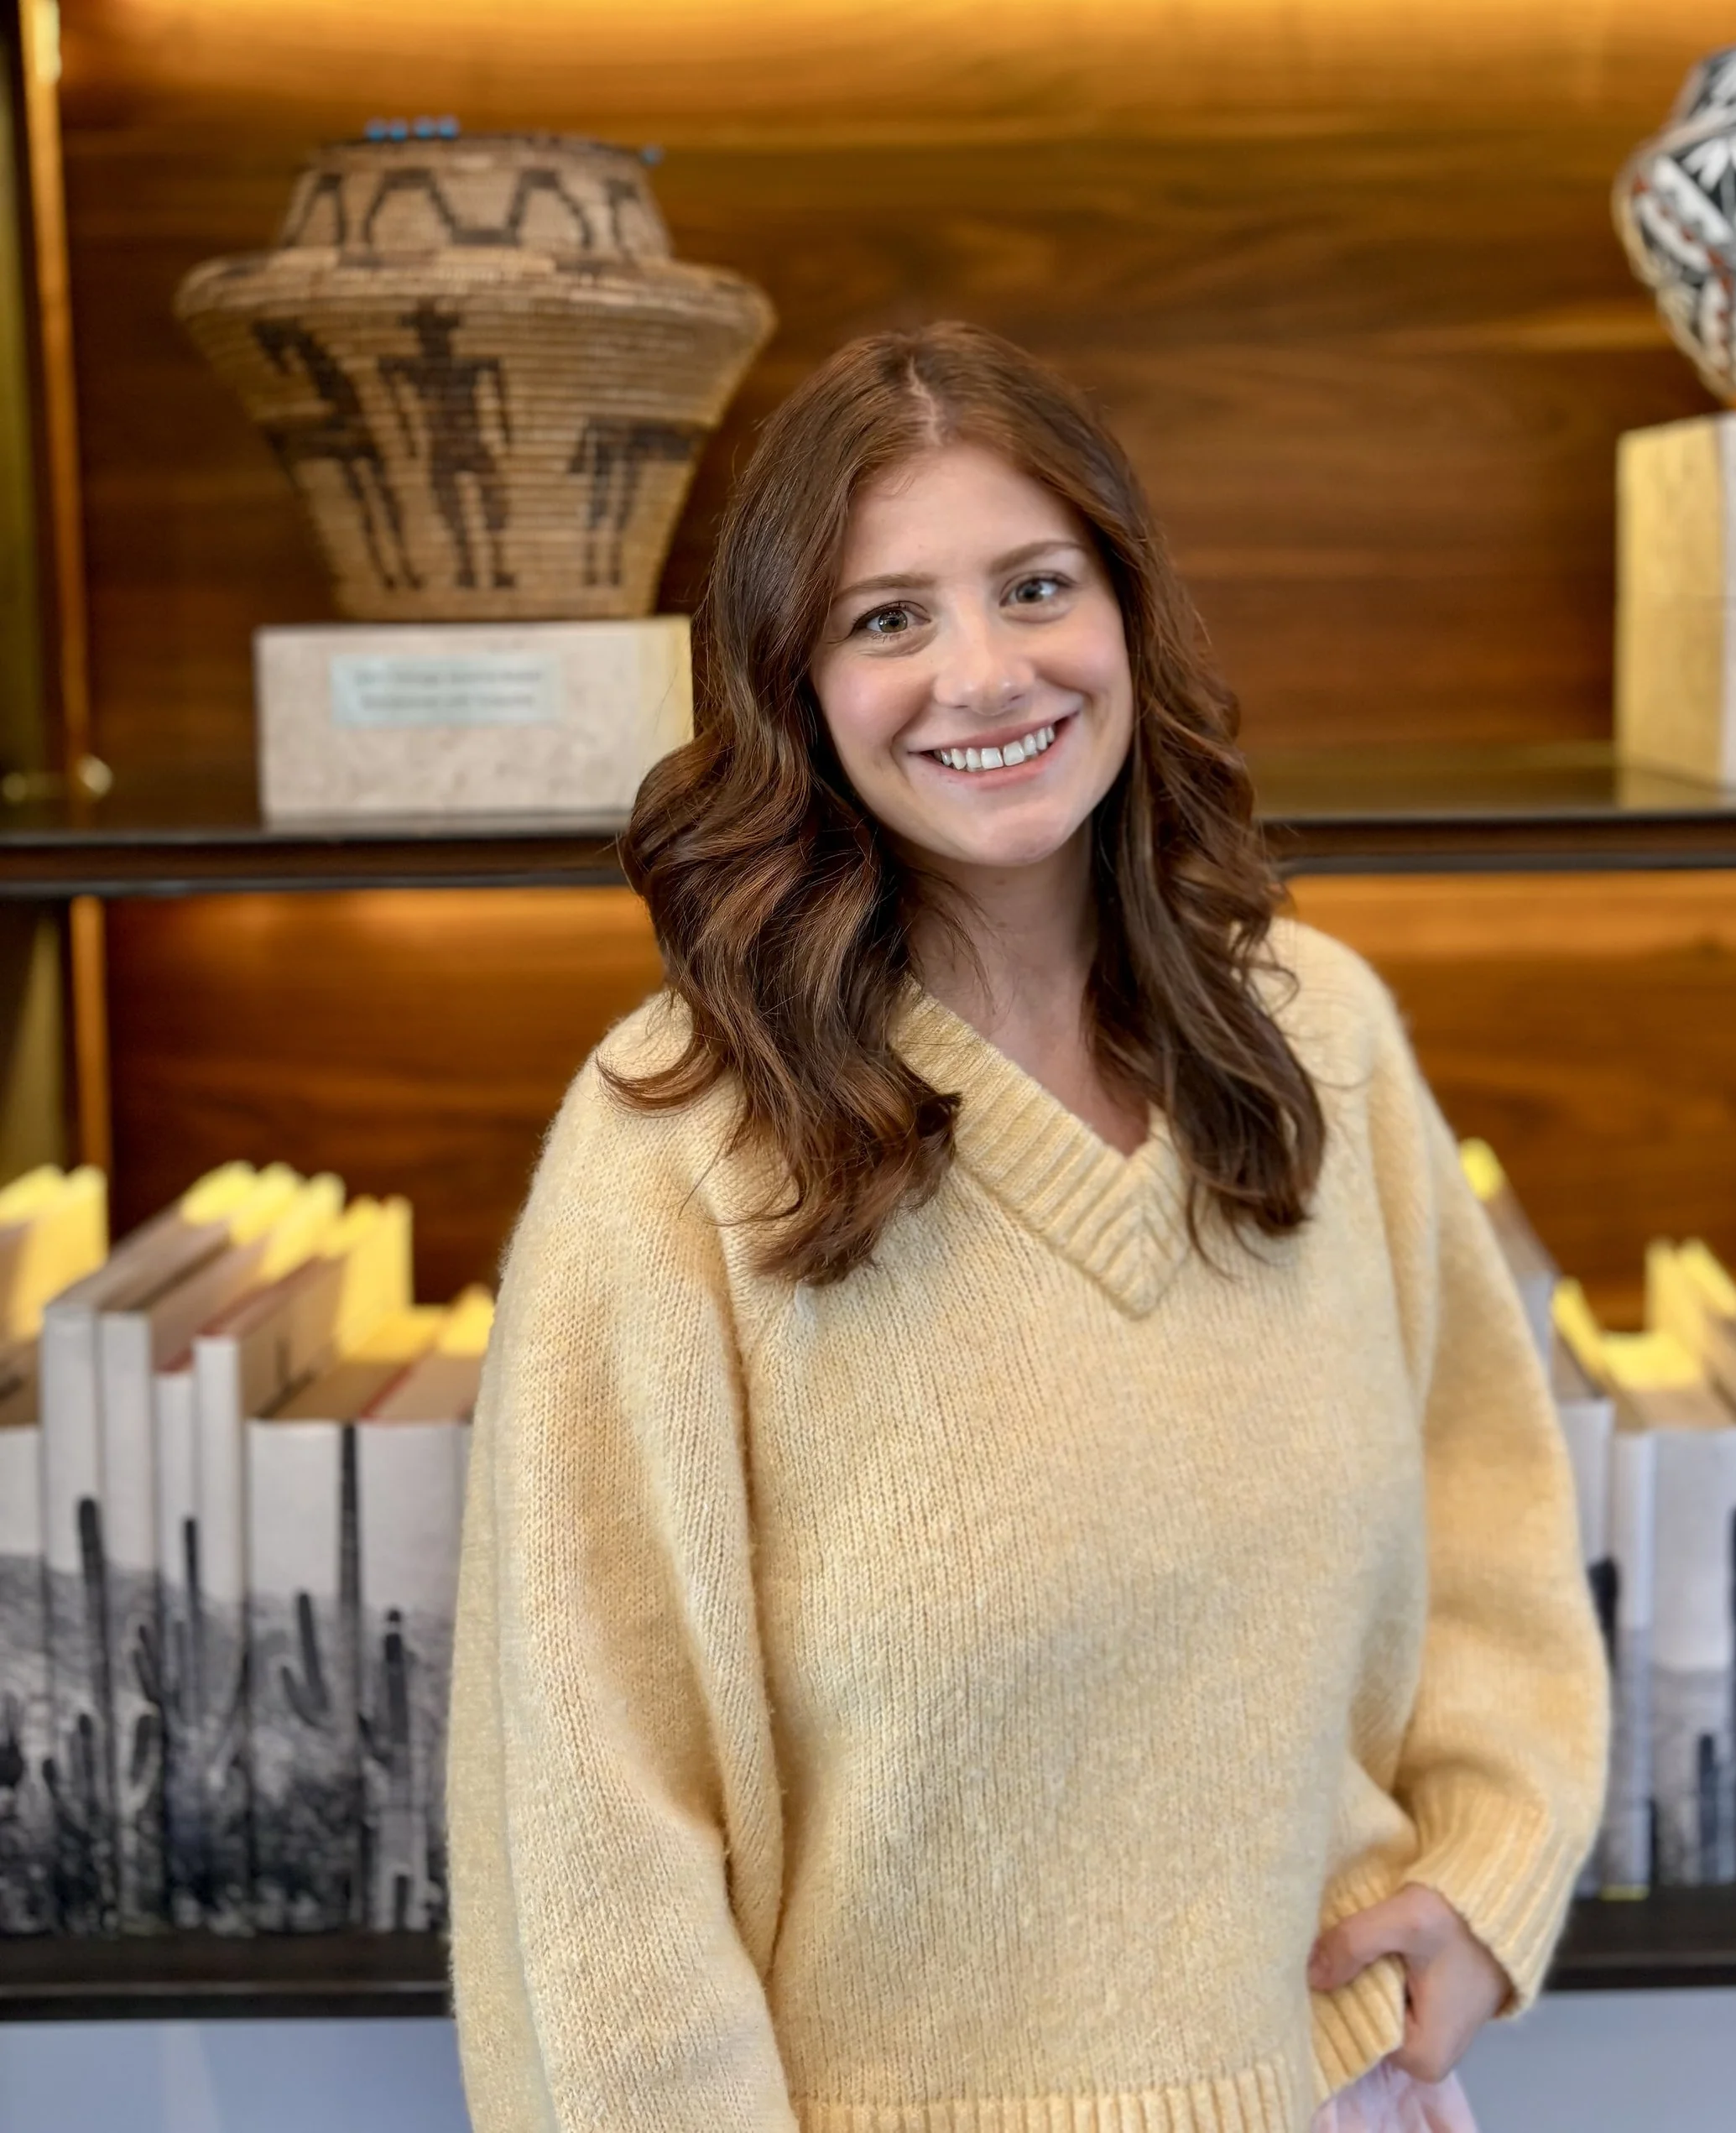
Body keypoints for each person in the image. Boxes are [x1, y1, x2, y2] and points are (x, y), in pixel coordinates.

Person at [448, 321, 1606, 2133]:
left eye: (1033, 586)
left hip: (1339, 2085)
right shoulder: (670, 1144)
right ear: (790, 683)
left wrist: (1489, 1854)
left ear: (1125, 615)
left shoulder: (1317, 1033)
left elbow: (1490, 1516)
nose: (981, 673)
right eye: (885, 617)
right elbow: (593, 1812)